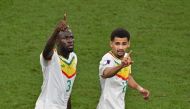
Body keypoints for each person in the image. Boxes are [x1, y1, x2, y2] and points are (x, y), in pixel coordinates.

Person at [97, 28, 150, 109]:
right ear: (111, 44)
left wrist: (140, 88)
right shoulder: (107, 59)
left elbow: (127, 76)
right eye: (117, 43)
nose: (120, 47)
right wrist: (121, 66)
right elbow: (106, 74)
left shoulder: (126, 57)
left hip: (120, 105)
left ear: (128, 44)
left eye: (124, 44)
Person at [35, 14, 77, 109]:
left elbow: (67, 91)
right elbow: (46, 52)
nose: (70, 40)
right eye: (66, 38)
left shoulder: (74, 58)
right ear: (57, 41)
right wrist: (56, 31)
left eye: (71, 37)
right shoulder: (51, 58)